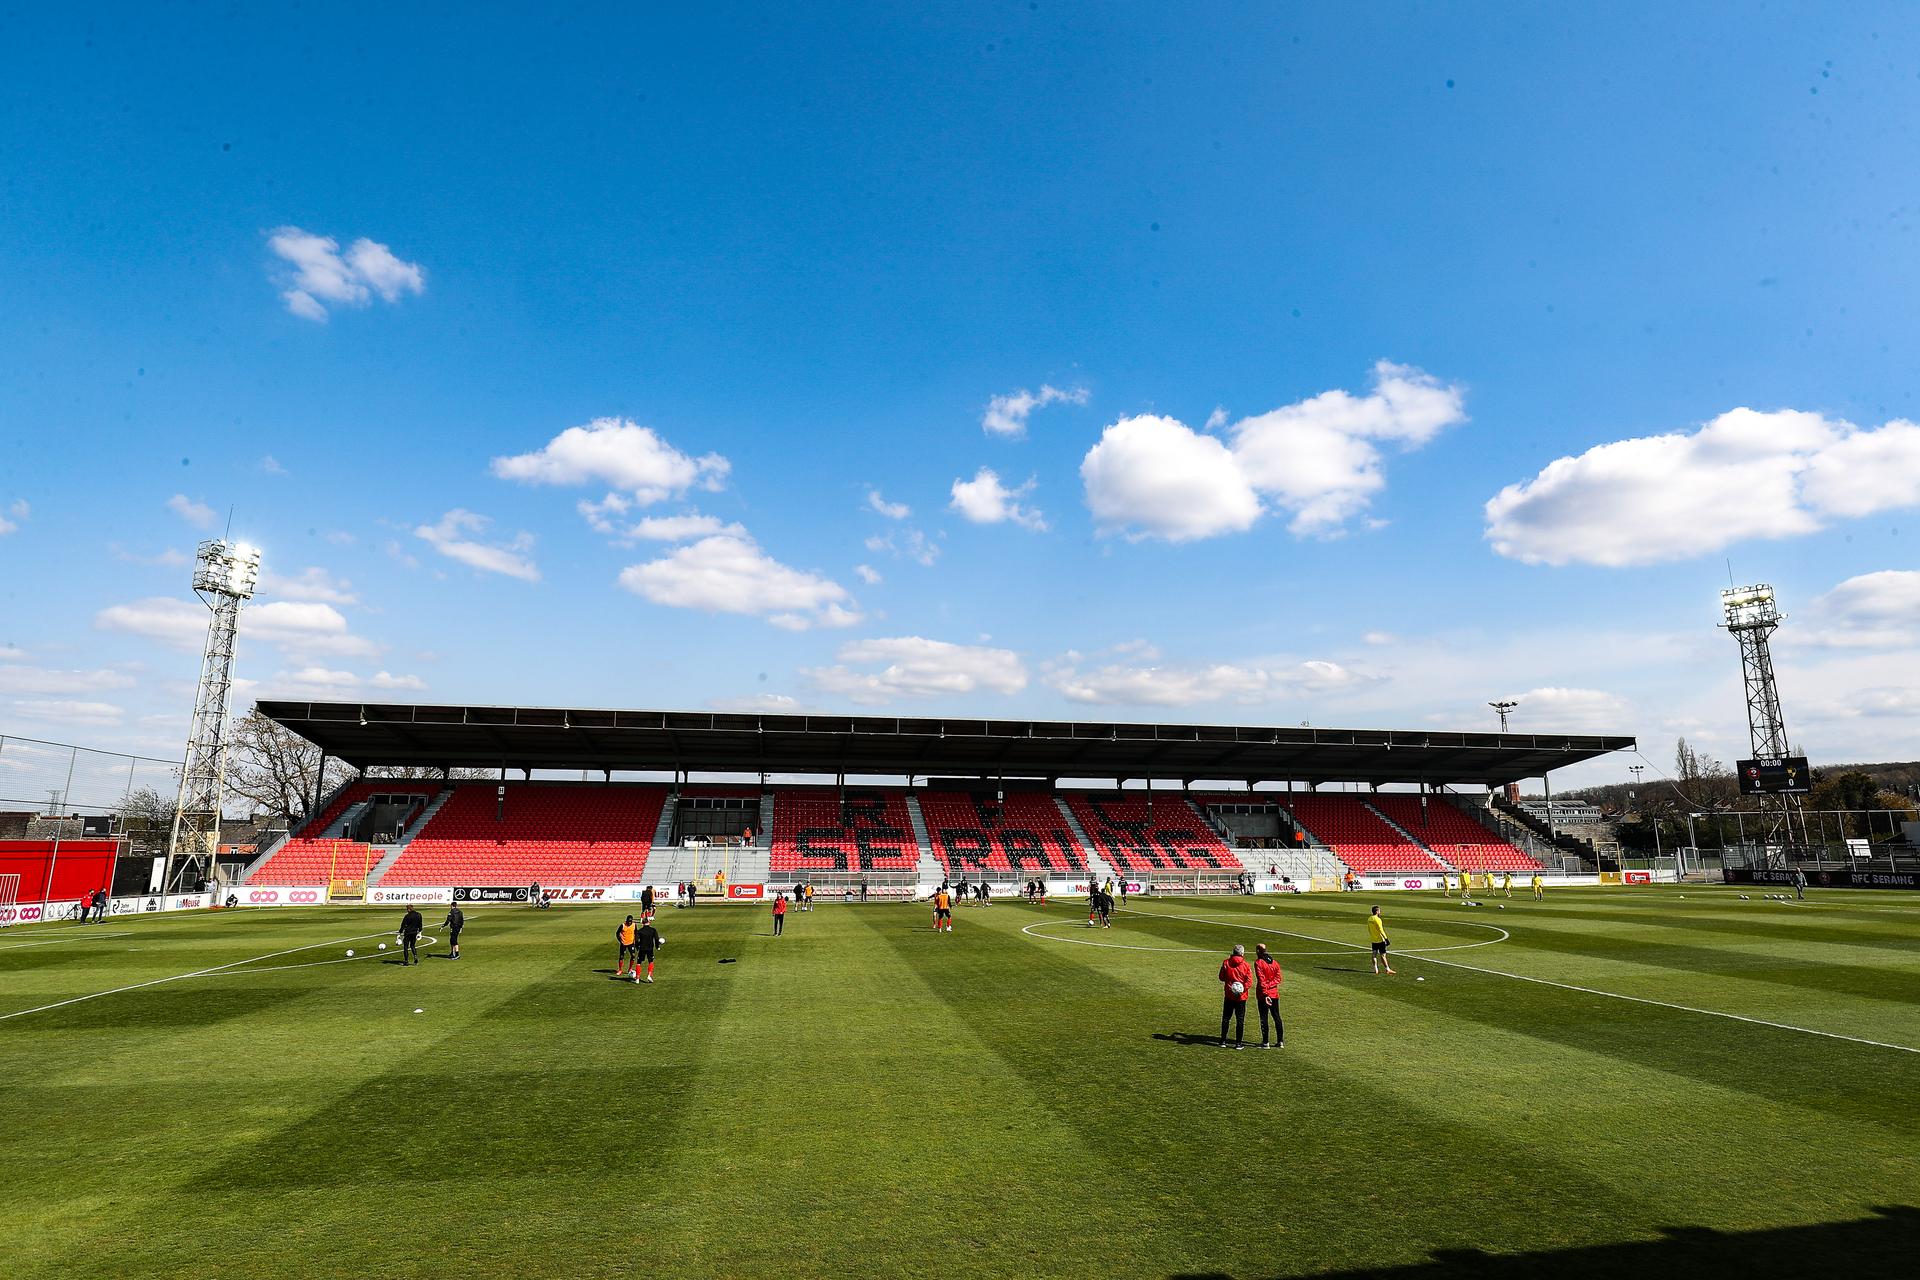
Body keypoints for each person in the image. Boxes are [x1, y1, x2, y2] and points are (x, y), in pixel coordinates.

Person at [1219, 944, 1252, 1048]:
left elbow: (1221, 977)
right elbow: (1249, 981)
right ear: (1242, 953)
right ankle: (1238, 1043)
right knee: (1240, 1020)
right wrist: (1242, 990)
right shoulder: (1246, 965)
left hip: (1229, 996)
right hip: (1241, 998)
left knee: (1226, 1018)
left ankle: (1223, 1041)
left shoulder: (1226, 963)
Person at [1253, 943, 1284, 1048]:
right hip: (1274, 994)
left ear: (1258, 951)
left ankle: (1265, 1042)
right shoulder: (1275, 963)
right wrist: (1270, 986)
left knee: (1264, 1018)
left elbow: (1261, 980)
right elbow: (1278, 979)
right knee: (1276, 1016)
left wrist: (1266, 991)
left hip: (1263, 995)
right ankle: (1280, 1041)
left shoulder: (1258, 963)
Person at [1367, 905, 1394, 976]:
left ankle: (1376, 969)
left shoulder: (1369, 919)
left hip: (1373, 939)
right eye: (1379, 910)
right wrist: (1386, 939)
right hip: (1380, 939)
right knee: (1383, 955)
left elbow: (1369, 929)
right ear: (1377, 911)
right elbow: (1381, 930)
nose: (1380, 912)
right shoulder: (1378, 919)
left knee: (1374, 954)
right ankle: (1387, 969)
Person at [634, 916, 662, 983]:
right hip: (650, 948)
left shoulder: (640, 931)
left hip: (642, 948)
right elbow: (656, 939)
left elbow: (636, 940)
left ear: (642, 923)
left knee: (639, 963)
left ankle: (637, 978)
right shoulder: (653, 930)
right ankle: (649, 975)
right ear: (649, 922)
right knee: (651, 961)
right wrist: (657, 946)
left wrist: (637, 947)